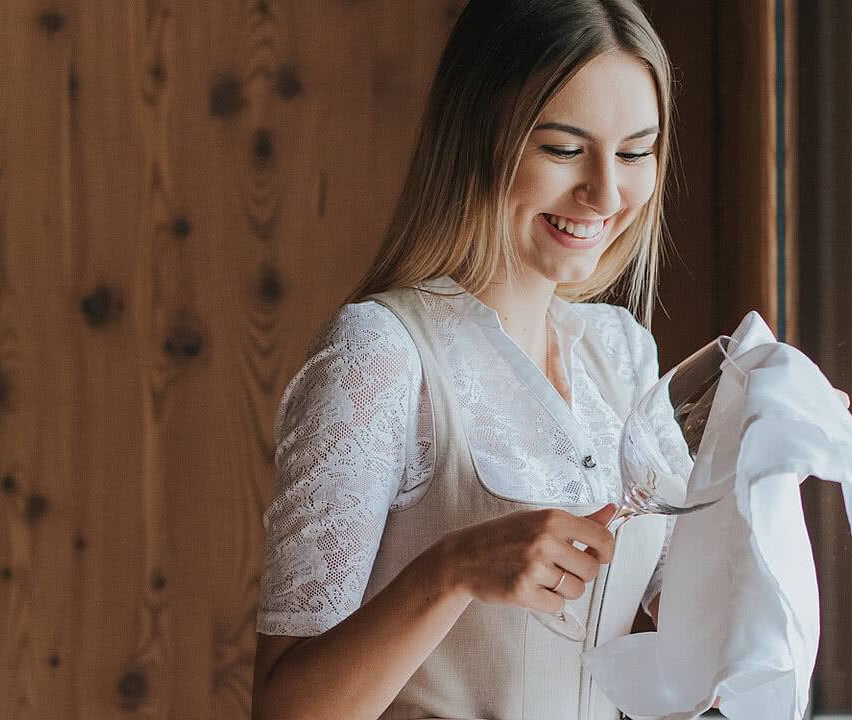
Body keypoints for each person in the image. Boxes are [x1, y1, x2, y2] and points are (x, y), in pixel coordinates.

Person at [249, 1, 680, 718]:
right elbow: (284, 711)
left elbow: (695, 646)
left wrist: (761, 468)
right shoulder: (379, 355)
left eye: (635, 152)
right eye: (564, 149)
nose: (607, 192)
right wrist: (450, 573)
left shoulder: (624, 355)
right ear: (477, 137)